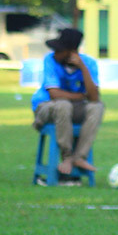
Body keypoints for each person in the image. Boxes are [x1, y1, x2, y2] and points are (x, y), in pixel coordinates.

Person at [31, 28, 103, 182]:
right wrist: (80, 96)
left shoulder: (89, 63)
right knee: (63, 104)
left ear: (72, 52)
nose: (55, 53)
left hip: (72, 108)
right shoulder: (49, 60)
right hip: (46, 107)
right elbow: (54, 94)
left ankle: (79, 157)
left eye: (59, 50)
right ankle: (67, 156)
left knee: (97, 107)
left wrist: (83, 68)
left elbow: (94, 98)